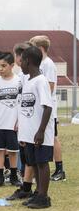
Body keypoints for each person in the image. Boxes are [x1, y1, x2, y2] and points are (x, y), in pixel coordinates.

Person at [17, 46, 54, 209]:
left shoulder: (41, 81)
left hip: (40, 133)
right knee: (34, 163)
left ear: (28, 61)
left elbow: (48, 107)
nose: (20, 65)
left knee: (42, 163)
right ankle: (38, 193)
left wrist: (41, 131)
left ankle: (44, 197)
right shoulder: (28, 81)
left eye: (21, 61)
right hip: (29, 133)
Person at [29, 35, 66, 182]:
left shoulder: (48, 64)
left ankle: (59, 169)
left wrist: (41, 102)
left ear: (40, 48)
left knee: (53, 138)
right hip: (39, 109)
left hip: (48, 108)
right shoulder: (39, 63)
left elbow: (50, 86)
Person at [7, 42, 38, 201]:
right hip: (22, 121)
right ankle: (26, 187)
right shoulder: (22, 76)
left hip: (29, 121)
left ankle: (30, 188)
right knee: (26, 157)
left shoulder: (30, 77)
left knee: (30, 157)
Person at [0, 52, 22, 187]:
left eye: (4, 66)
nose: (0, 69)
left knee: (13, 152)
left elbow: (21, 102)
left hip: (13, 124)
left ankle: (14, 176)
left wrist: (19, 121)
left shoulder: (19, 81)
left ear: (12, 65)